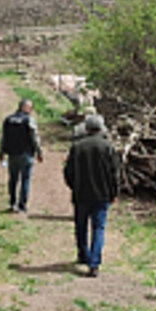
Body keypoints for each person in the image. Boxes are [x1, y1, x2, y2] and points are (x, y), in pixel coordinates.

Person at [64, 111, 119, 278]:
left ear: (86, 128)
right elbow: (114, 173)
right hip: (102, 194)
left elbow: (68, 172)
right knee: (98, 228)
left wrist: (74, 186)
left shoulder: (77, 147)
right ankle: (94, 263)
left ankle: (83, 255)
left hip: (81, 194)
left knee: (80, 227)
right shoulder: (108, 147)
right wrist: (114, 192)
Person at [0, 99, 43, 213]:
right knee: (25, 179)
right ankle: (22, 205)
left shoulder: (8, 120)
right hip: (26, 154)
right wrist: (39, 152)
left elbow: (3, 138)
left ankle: (13, 203)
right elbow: (35, 138)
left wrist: (1, 152)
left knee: (12, 179)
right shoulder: (29, 120)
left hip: (12, 154)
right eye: (30, 108)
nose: (31, 110)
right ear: (24, 108)